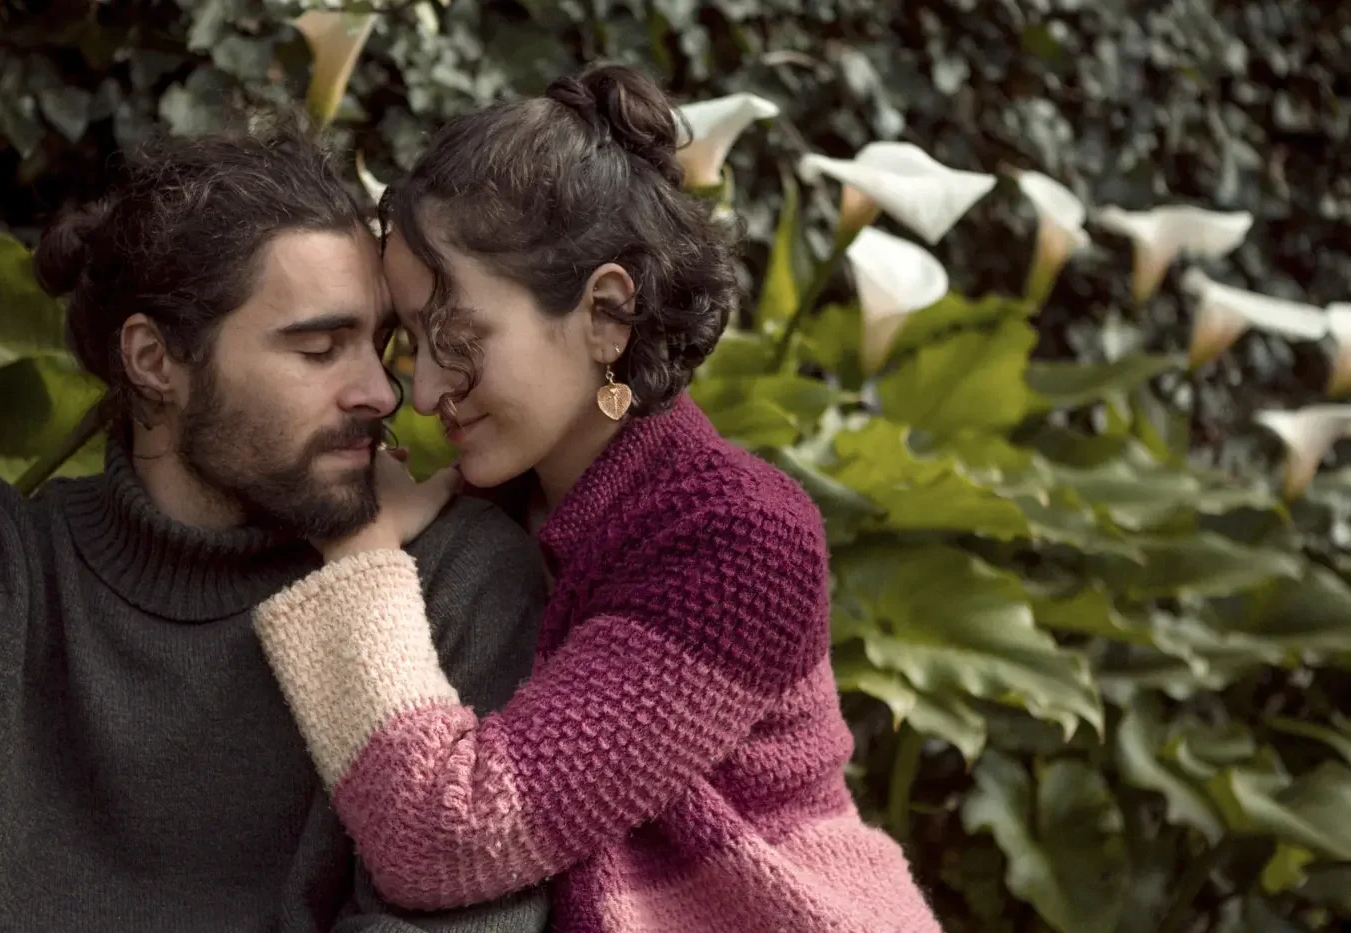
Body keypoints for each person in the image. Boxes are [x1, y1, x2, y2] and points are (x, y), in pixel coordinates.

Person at [251, 66, 944, 932]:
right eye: (414, 343)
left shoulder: (739, 540)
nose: (423, 394)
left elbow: (450, 834)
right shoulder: (499, 502)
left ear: (608, 314)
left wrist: (360, 560)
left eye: (458, 339)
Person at [0, 126, 549, 933]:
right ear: (153, 360)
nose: (383, 393)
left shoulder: (459, 581)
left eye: (380, 343)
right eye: (320, 348)